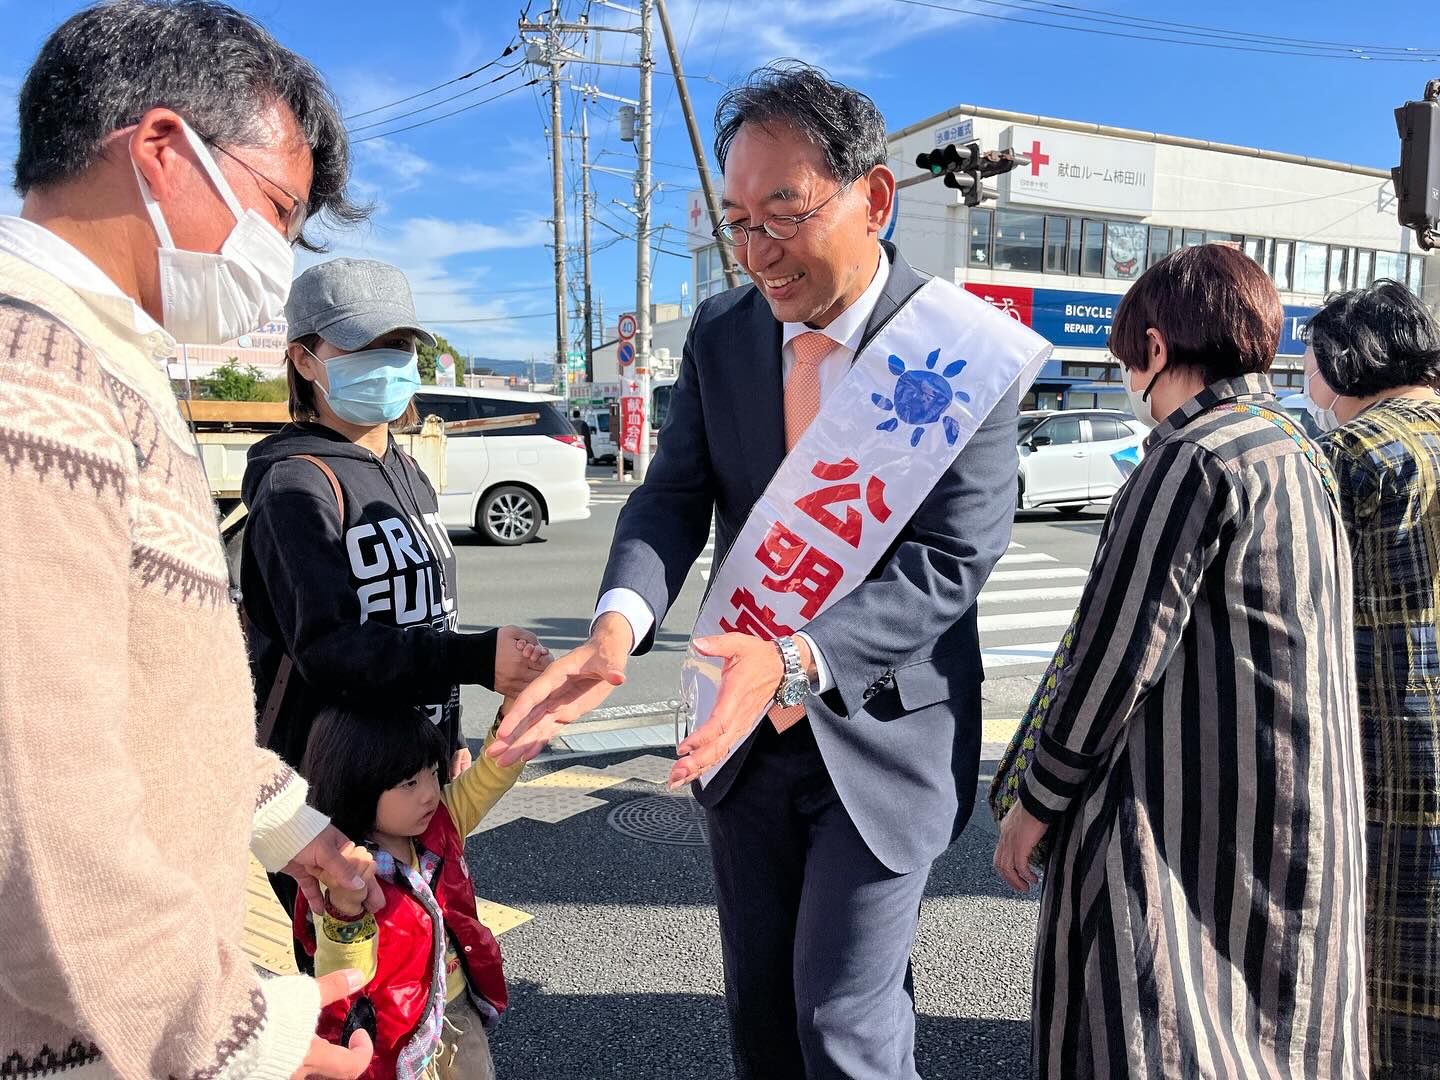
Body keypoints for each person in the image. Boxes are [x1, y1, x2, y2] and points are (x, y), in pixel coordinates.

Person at [491, 62, 1047, 1077]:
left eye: (782, 214)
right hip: (741, 738)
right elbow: (672, 494)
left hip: (886, 732)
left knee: (841, 1018)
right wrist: (617, 627)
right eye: (739, 222)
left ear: (874, 198)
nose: (757, 253)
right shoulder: (722, 331)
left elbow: (951, 560)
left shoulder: (964, 353)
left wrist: (794, 657)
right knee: (761, 1006)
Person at [0, 2, 386, 1077]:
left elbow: (146, 691)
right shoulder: (28, 379)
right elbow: (35, 795)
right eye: (277, 209)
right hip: (86, 1043)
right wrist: (245, 1041)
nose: (277, 253)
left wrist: (282, 824)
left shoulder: (104, 354)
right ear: (164, 149)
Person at [993, 245, 1368, 1078]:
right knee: (1277, 1031)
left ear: (1155, 351)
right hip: (1294, 800)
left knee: (1155, 1022)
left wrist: (1036, 801)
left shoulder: (1188, 457)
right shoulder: (1292, 446)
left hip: (1189, 812)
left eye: (1131, 361)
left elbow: (1110, 657)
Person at [241, 257, 548, 777]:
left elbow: (425, 618)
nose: (386, 361)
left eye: (400, 345)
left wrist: (444, 737)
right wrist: (475, 659)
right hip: (338, 790)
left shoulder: (407, 470)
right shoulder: (294, 485)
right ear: (304, 359)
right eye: (361, 346)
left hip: (417, 772)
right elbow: (329, 650)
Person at [1306, 279, 1440, 1077]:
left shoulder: (1351, 457)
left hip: (1388, 738)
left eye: (1313, 362)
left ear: (1347, 361)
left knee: (1391, 951)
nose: (1310, 385)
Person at [295, 692, 539, 1079]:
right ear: (357, 785)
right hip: (392, 1032)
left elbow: (486, 779)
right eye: (409, 782)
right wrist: (346, 908)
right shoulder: (341, 868)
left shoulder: (443, 821)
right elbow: (342, 976)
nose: (429, 792)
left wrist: (514, 717)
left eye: (431, 772)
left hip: (456, 1007)